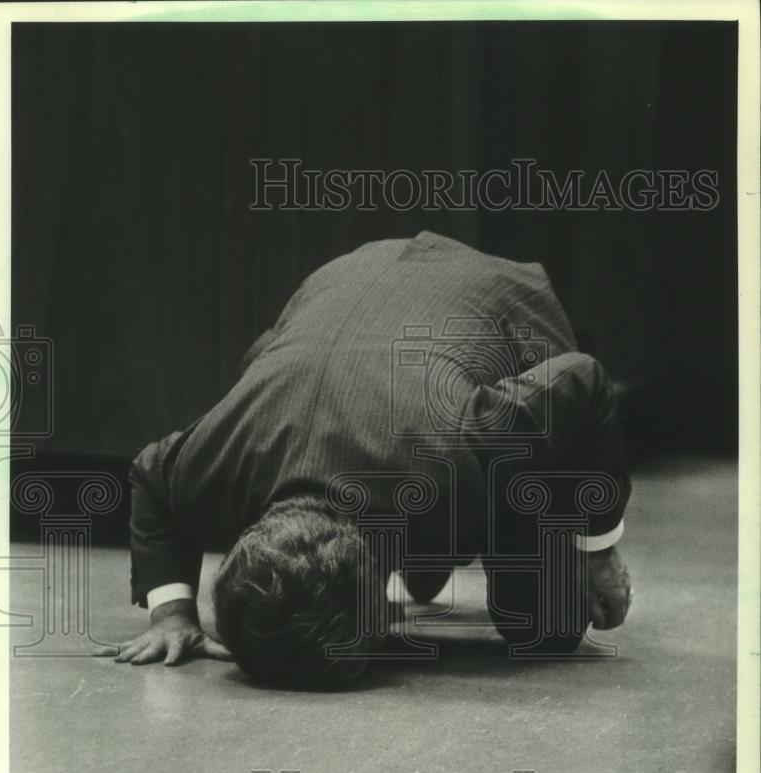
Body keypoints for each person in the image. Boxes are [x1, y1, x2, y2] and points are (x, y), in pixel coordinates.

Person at [103, 231, 632, 687]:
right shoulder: (216, 463)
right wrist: (172, 615)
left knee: (546, 625)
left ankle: (448, 549)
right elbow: (152, 474)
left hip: (500, 307)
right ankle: (435, 550)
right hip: (342, 291)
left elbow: (583, 380)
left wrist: (596, 546)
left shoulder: (463, 457)